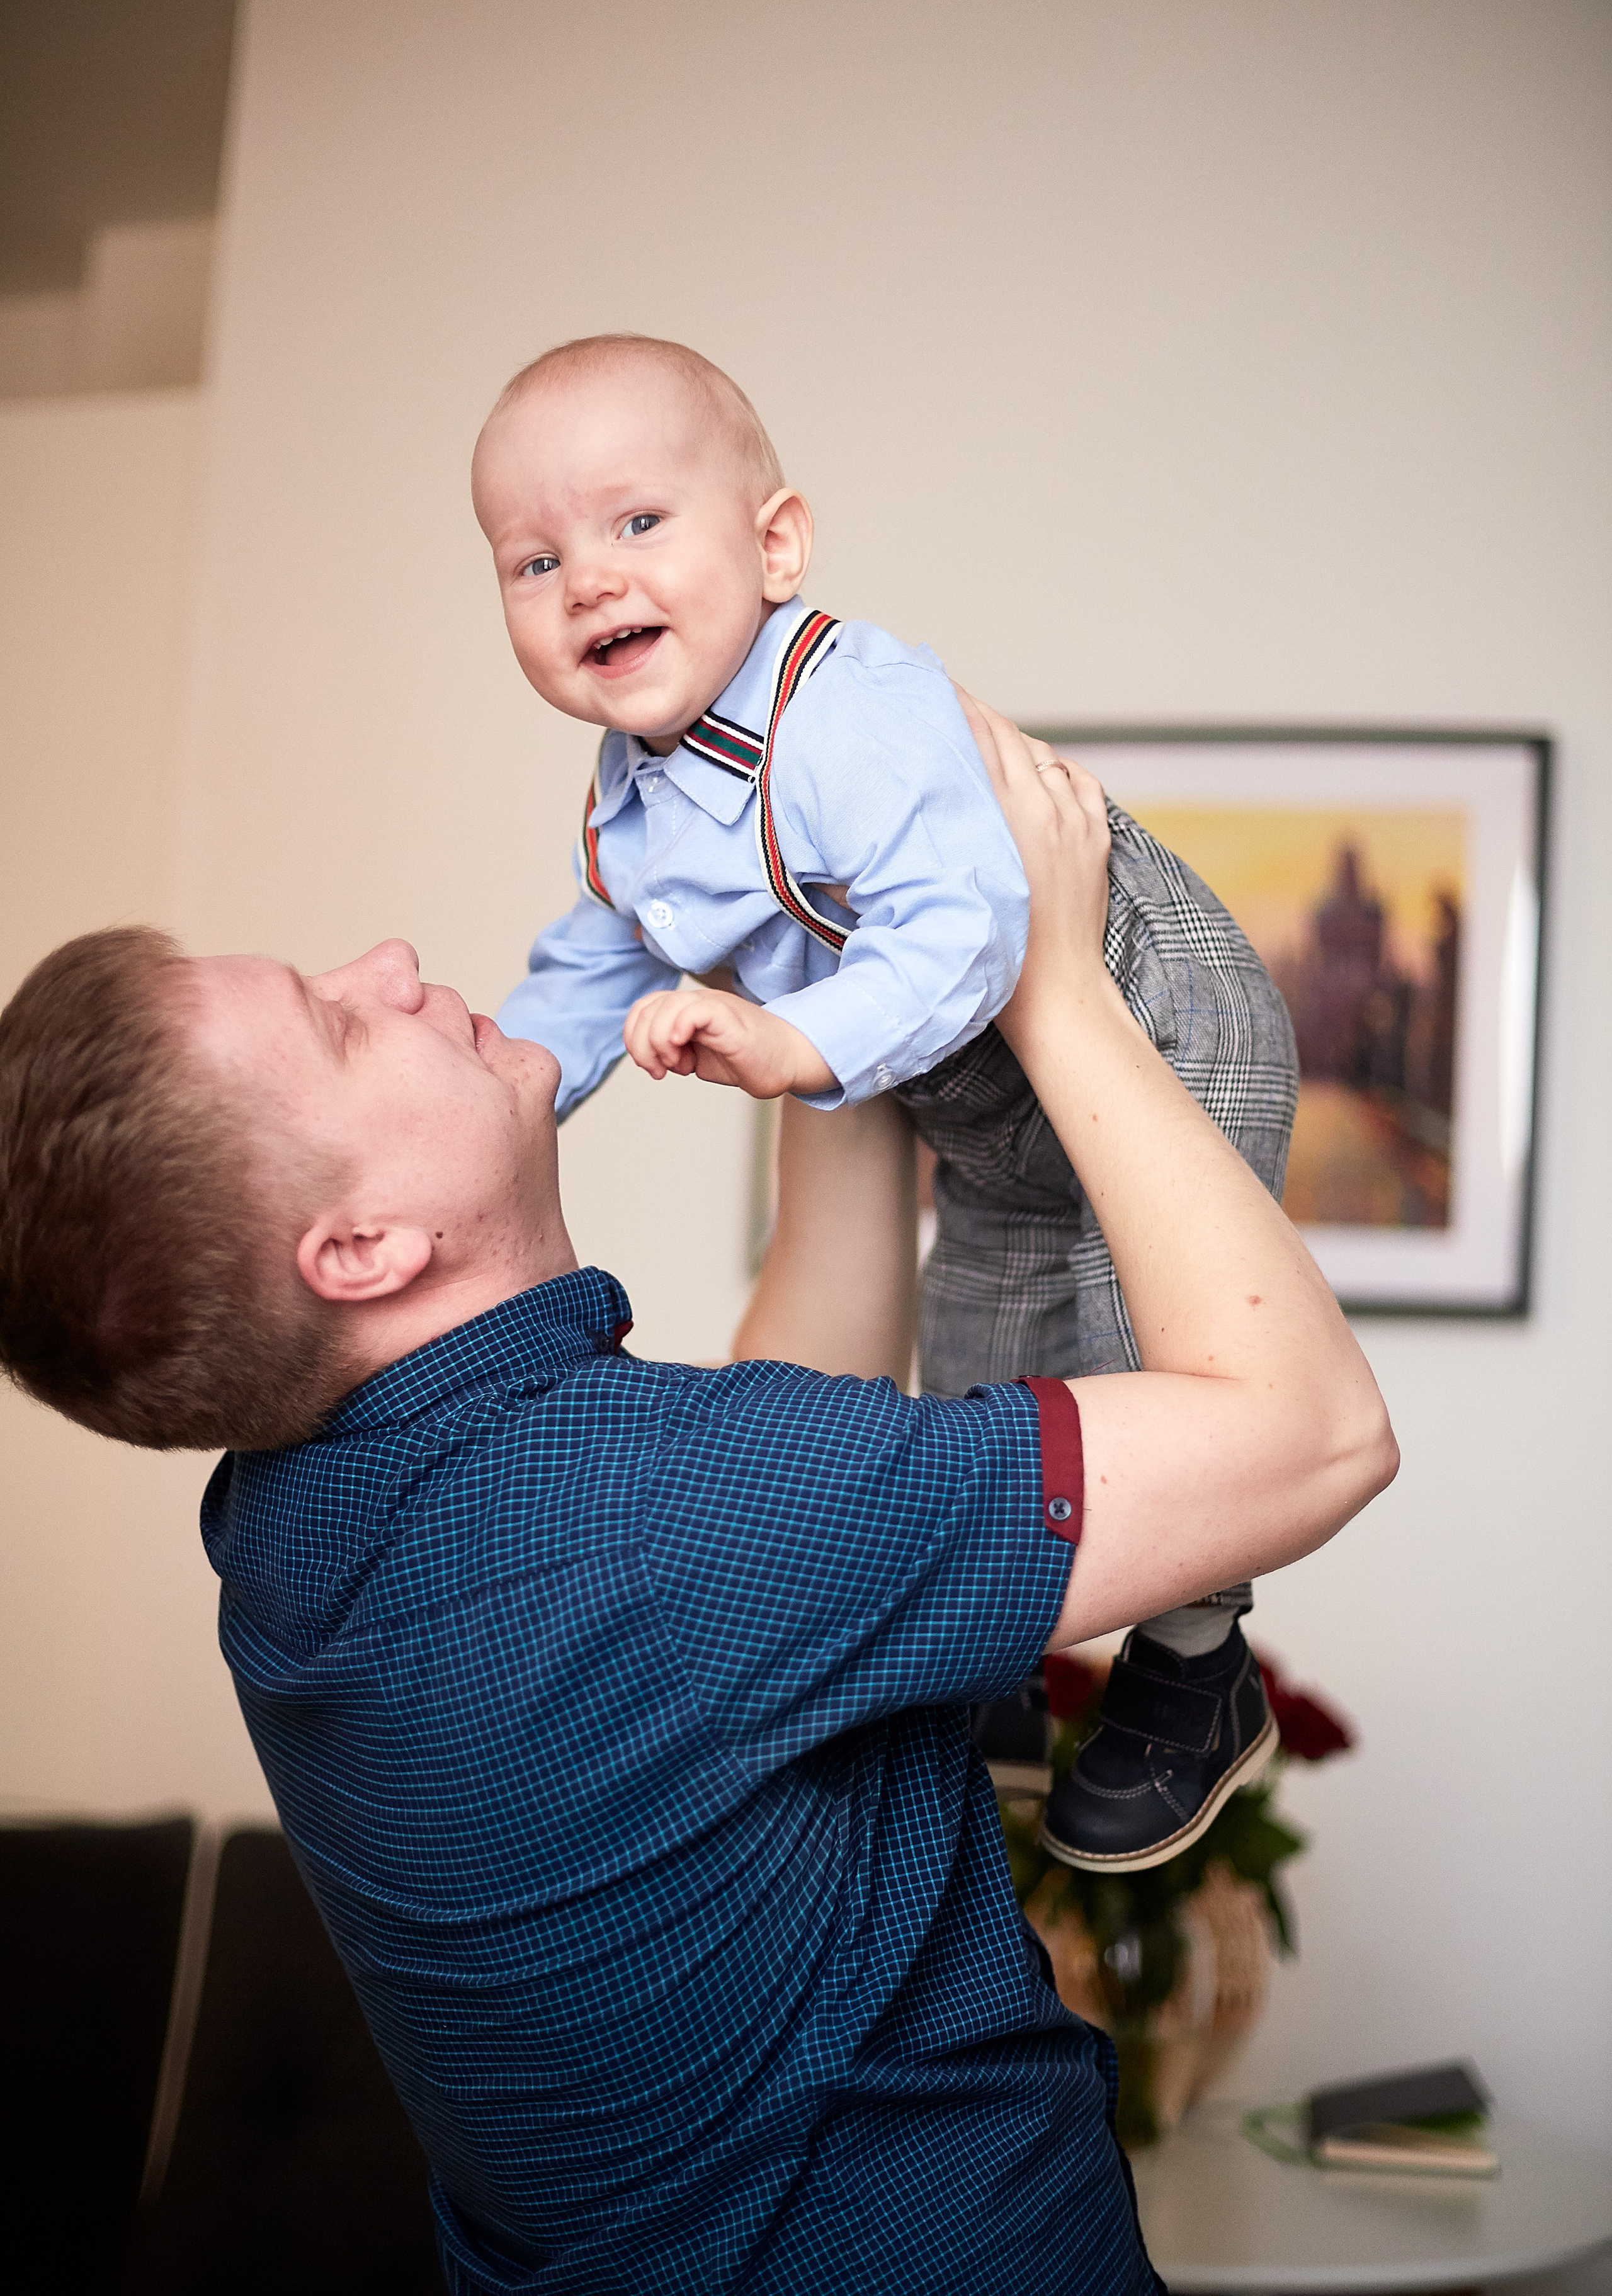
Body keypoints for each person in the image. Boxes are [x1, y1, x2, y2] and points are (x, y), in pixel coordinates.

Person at [0, 707, 1395, 2295]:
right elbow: (1312, 1432)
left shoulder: (300, 1529)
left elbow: (772, 1428)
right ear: (364, 1250)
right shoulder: (660, 1518)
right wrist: (1059, 991)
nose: (386, 962)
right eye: (333, 1023)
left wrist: (828, 987)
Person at [475, 333, 1301, 1870]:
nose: (587, 577)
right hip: (969, 1090)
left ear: (775, 543)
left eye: (636, 523)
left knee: (1148, 1338)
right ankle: (993, 1655)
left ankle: (1195, 1665)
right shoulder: (627, 797)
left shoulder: (846, 709)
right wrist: (507, 1094)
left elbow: (974, 932)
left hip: (1149, 1016)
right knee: (984, 1349)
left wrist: (792, 1045)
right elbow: (594, 965)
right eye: (533, 559)